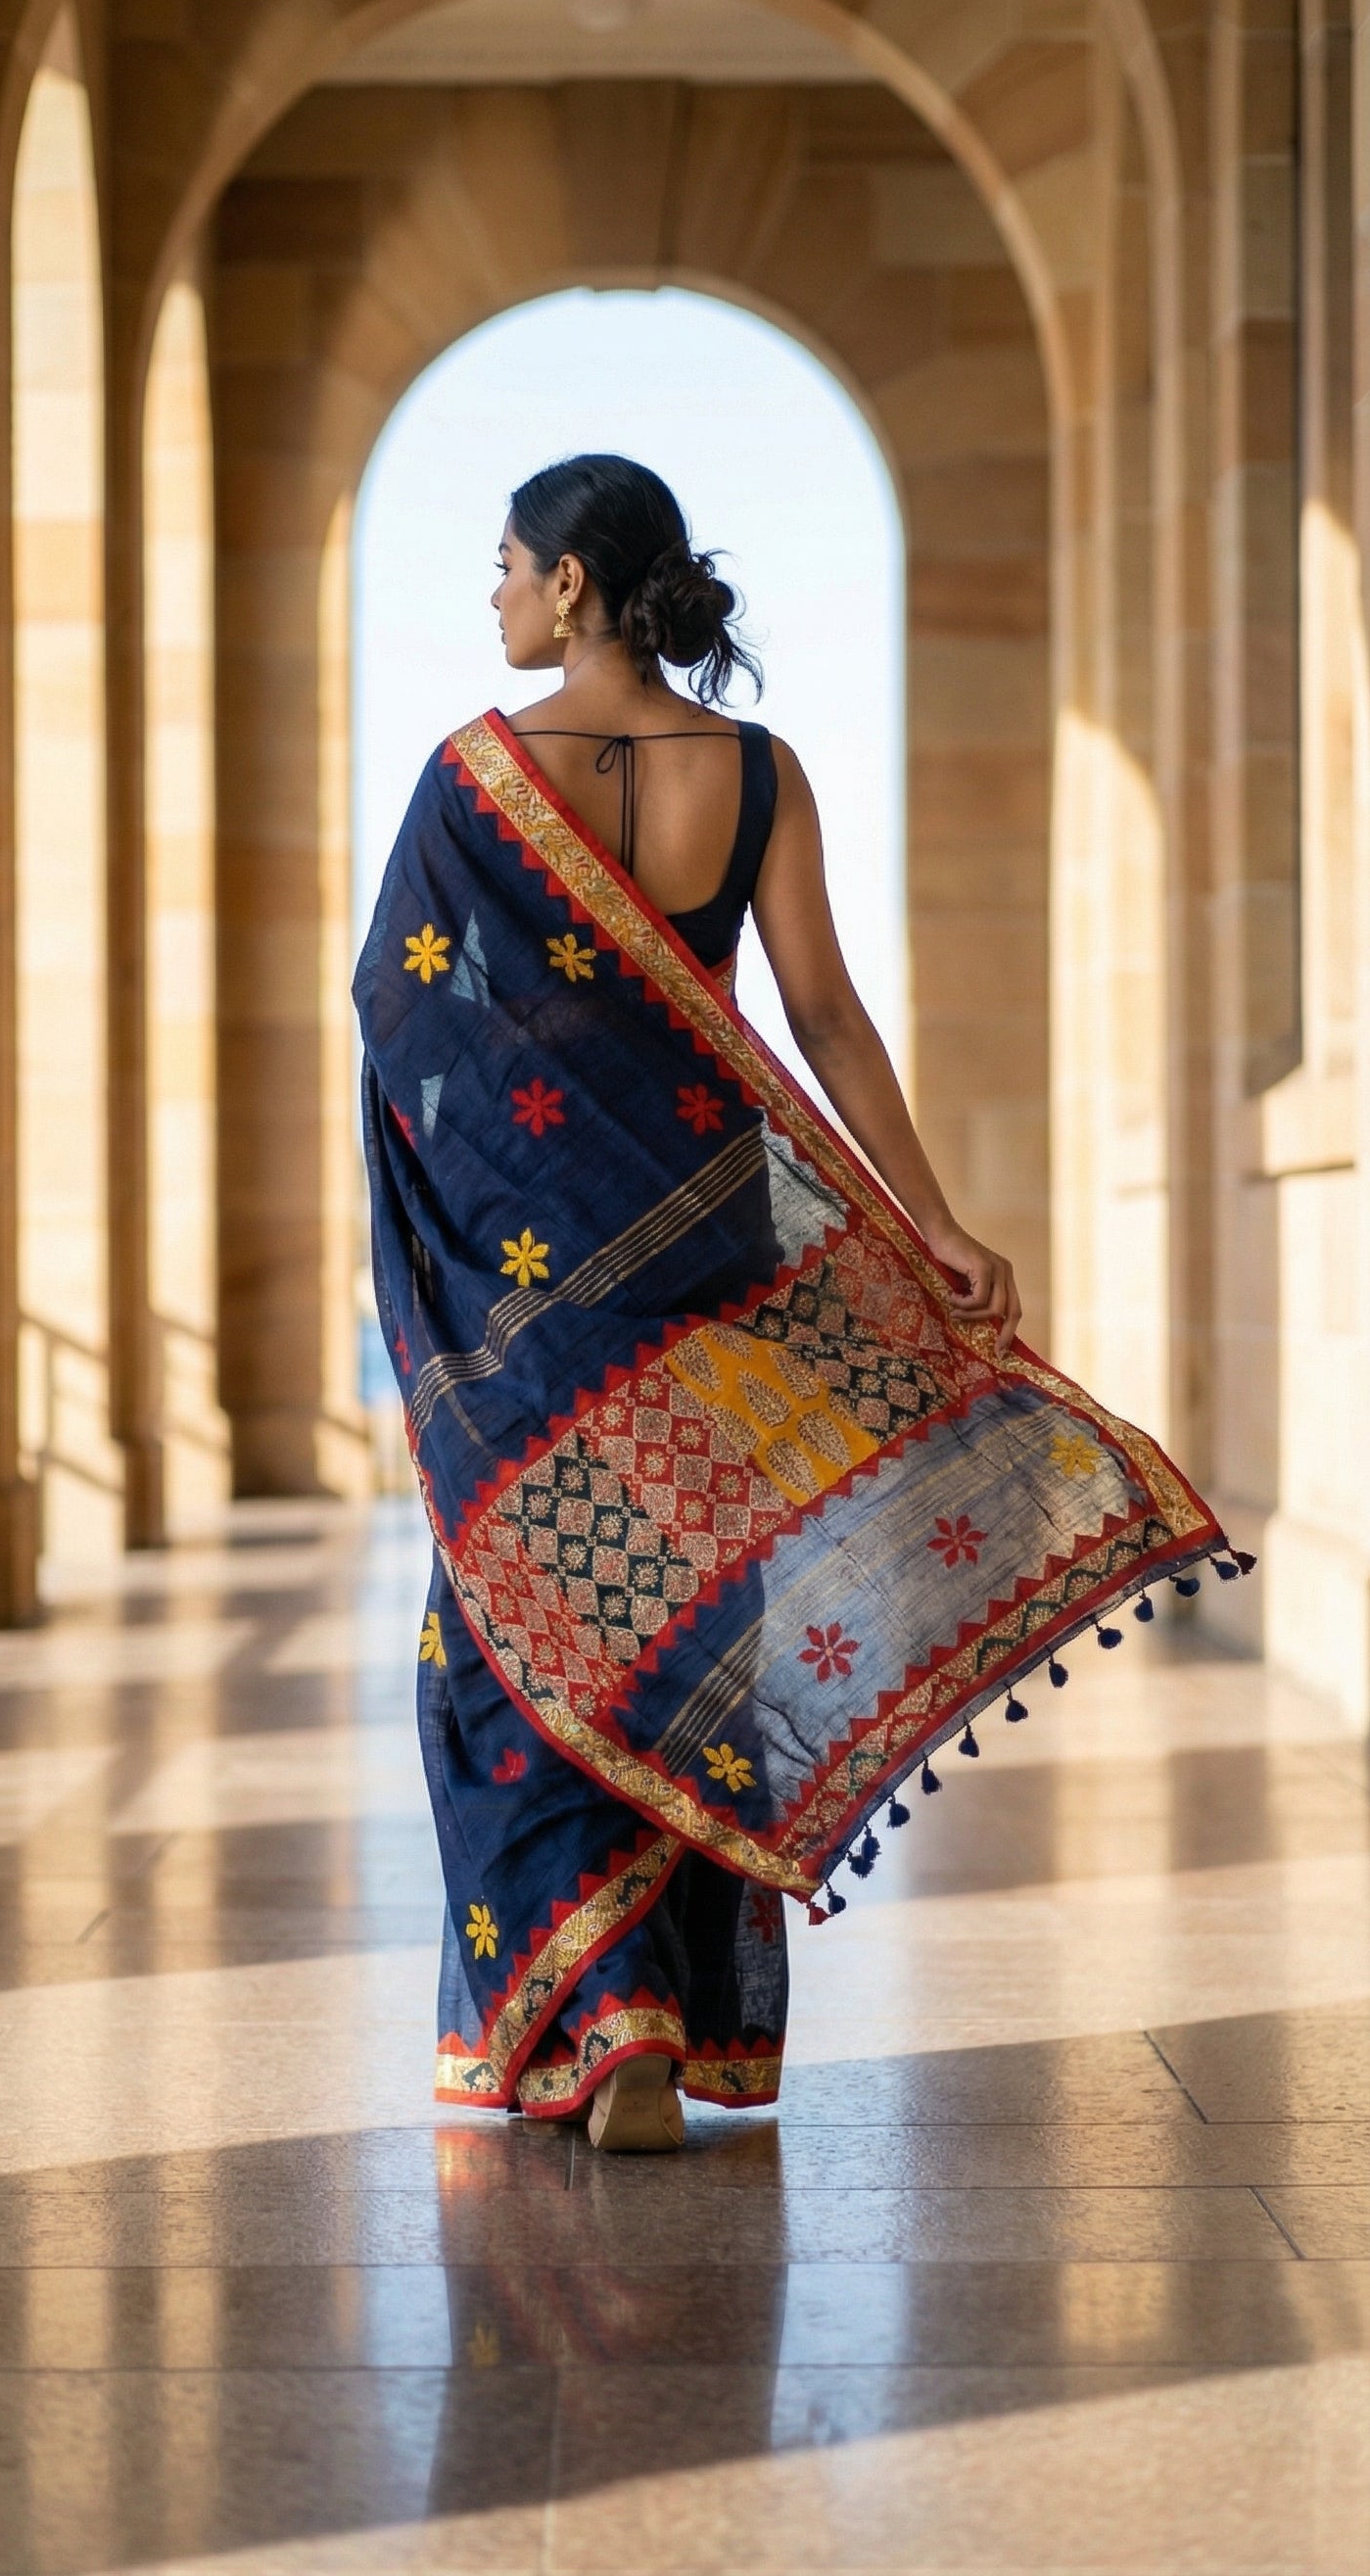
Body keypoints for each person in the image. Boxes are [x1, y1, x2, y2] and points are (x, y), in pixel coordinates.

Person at [353, 453, 1229, 2156]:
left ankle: (602, 2025)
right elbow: (825, 1018)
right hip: (718, 1257)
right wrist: (934, 1219)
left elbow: (406, 1020)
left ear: (578, 586)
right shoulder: (755, 773)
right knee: (693, 1623)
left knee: (512, 1631)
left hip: (537, 1291)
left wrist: (486, 1211)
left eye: (512, 566)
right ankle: (668, 2022)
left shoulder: (473, 780)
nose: (498, 598)